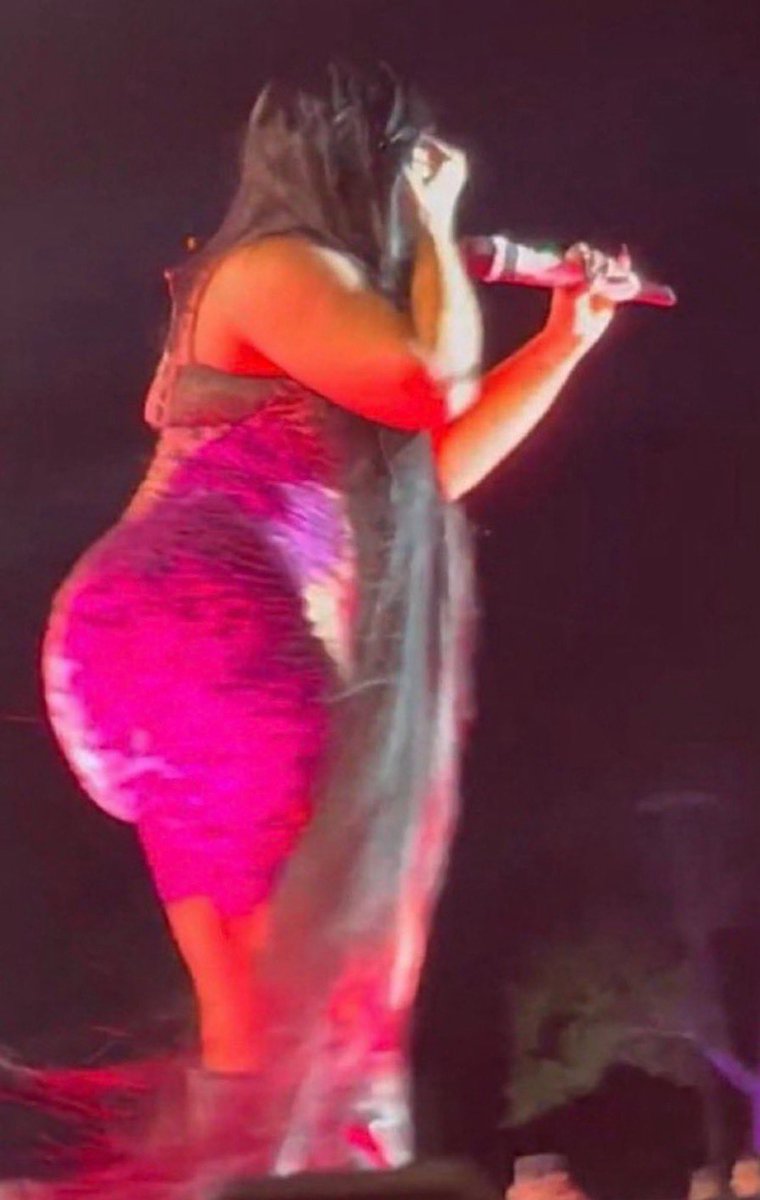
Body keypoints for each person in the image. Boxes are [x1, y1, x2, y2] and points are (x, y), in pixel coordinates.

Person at [38, 63, 639, 1180]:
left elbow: (429, 471)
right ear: (374, 165)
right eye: (411, 165)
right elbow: (428, 385)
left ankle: (269, 1174)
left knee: (261, 1012)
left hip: (161, 646)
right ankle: (330, 1171)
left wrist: (565, 339)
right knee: (339, 976)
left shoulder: (302, 296)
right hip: (207, 623)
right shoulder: (279, 264)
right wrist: (433, 220)